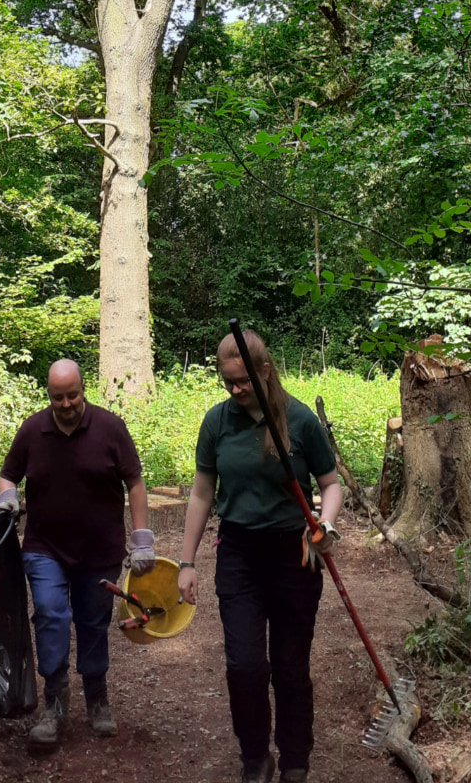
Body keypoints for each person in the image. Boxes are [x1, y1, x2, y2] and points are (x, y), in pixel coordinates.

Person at [177, 330, 342, 783]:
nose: (234, 389)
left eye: (241, 381)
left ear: (263, 369)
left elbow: (330, 483)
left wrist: (324, 525)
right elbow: (201, 493)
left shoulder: (300, 421)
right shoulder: (217, 423)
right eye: (226, 381)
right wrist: (186, 562)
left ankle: (294, 760)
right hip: (239, 556)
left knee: (290, 667)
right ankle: (255, 757)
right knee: (244, 665)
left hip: (294, 555)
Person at [0, 359, 155, 747]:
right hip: (44, 547)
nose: (66, 404)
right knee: (50, 613)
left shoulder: (110, 428)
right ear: (48, 395)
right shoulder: (33, 430)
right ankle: (54, 703)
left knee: (93, 622)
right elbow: (7, 474)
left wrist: (142, 539)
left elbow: (134, 482)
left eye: (72, 395)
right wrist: (8, 499)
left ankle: (97, 699)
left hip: (99, 551)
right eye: (57, 397)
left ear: (84, 389)